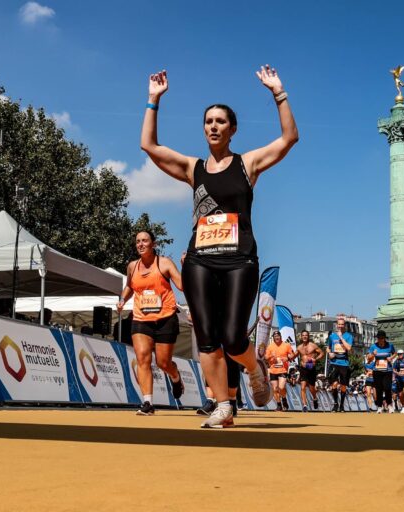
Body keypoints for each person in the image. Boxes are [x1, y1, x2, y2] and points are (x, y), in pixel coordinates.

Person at [140, 65, 298, 428]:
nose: (213, 126)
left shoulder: (248, 164)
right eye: (208, 121)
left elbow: (289, 138)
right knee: (207, 337)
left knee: (232, 337)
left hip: (240, 259)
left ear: (233, 129)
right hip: (200, 260)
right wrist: (153, 100)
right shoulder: (193, 168)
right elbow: (149, 146)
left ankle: (254, 368)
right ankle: (223, 406)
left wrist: (279, 93)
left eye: (220, 121)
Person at [117, 231, 184, 416]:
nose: (140, 244)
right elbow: (130, 286)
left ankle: (175, 376)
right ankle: (147, 403)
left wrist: (186, 267)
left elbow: (182, 286)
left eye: (145, 241)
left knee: (163, 362)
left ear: (153, 244)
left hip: (166, 317)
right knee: (143, 358)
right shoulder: (132, 266)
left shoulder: (164, 263)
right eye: (138, 241)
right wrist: (123, 299)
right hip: (141, 318)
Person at [327, 318, 353, 412]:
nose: (340, 326)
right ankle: (335, 403)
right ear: (336, 325)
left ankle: (341, 405)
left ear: (344, 325)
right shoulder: (332, 336)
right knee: (334, 384)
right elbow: (328, 347)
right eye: (339, 324)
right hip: (334, 362)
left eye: (342, 324)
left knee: (343, 386)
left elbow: (349, 348)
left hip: (344, 363)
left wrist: (341, 338)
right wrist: (329, 353)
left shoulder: (348, 336)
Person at [265, 331, 295, 411]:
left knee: (281, 387)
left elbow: (293, 354)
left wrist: (287, 358)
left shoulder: (286, 345)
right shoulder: (270, 347)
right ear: (273, 337)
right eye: (275, 336)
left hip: (283, 370)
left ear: (280, 336)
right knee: (275, 389)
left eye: (278, 336)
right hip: (273, 370)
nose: (277, 337)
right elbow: (266, 357)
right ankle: (279, 405)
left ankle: (284, 399)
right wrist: (272, 356)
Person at [368, 330, 396, 413]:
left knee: (387, 388)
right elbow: (369, 358)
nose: (380, 340)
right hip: (377, 370)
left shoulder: (390, 345)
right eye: (379, 338)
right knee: (378, 389)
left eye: (382, 338)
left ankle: (390, 405)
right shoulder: (373, 346)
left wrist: (391, 358)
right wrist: (373, 354)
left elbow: (395, 353)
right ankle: (379, 406)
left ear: (384, 338)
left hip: (388, 370)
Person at [295, 330, 323, 412]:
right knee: (303, 386)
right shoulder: (299, 347)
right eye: (303, 335)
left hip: (311, 368)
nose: (304, 336)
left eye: (306, 335)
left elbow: (321, 353)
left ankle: (314, 398)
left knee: (311, 388)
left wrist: (315, 359)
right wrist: (288, 357)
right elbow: (294, 355)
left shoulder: (313, 346)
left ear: (308, 336)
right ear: (301, 337)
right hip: (303, 368)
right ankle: (304, 405)